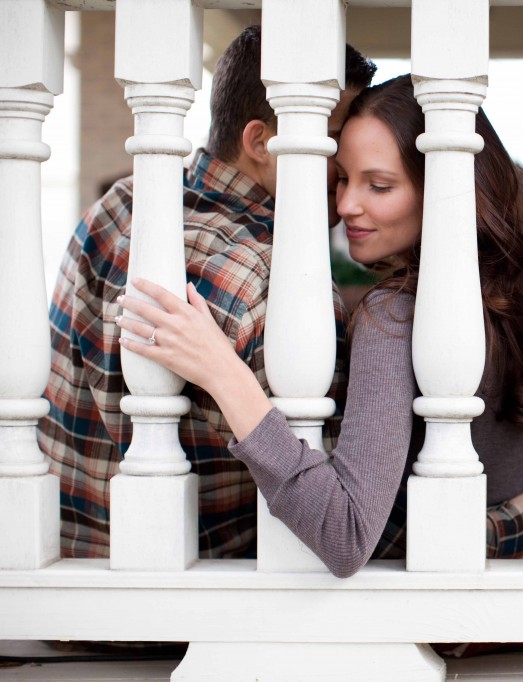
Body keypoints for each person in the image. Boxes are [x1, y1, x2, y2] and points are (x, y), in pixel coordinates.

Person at [116, 74, 523, 577]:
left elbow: (346, 534)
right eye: (343, 177)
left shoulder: (393, 316)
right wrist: (503, 529)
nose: (346, 204)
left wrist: (222, 371)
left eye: (379, 185)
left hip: (434, 624)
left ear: (445, 189)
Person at [38, 26, 376, 560]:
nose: (346, 168)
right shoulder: (272, 281)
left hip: (69, 575)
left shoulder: (118, 203)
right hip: (204, 606)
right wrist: (499, 529)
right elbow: (336, 512)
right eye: (334, 139)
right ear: (260, 142)